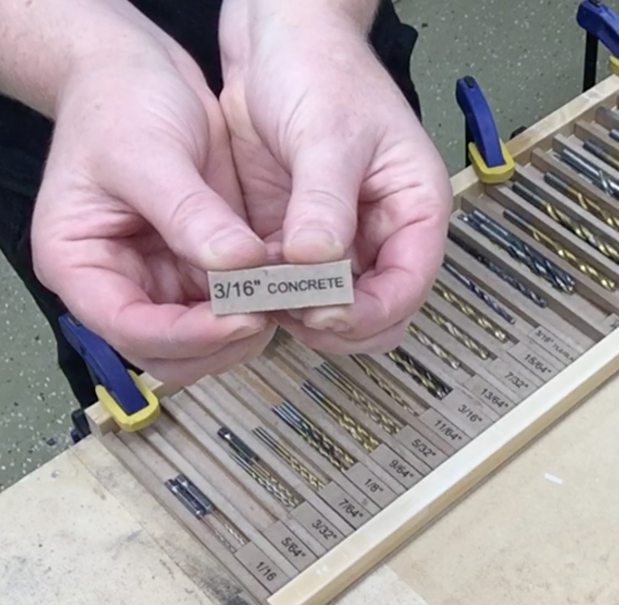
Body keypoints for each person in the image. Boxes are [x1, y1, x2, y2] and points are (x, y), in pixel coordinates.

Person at [0, 0, 451, 409]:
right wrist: (85, 59)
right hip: (80, 139)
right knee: (153, 370)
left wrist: (315, 19)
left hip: (329, 80)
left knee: (381, 319)